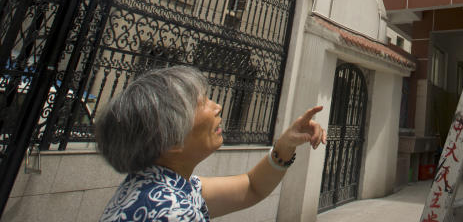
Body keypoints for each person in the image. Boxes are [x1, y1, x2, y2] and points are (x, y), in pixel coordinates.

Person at [96, 65, 327, 221]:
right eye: (202, 102)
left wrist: (285, 145)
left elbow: (251, 187)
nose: (217, 107)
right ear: (171, 138)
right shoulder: (171, 211)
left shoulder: (156, 185)